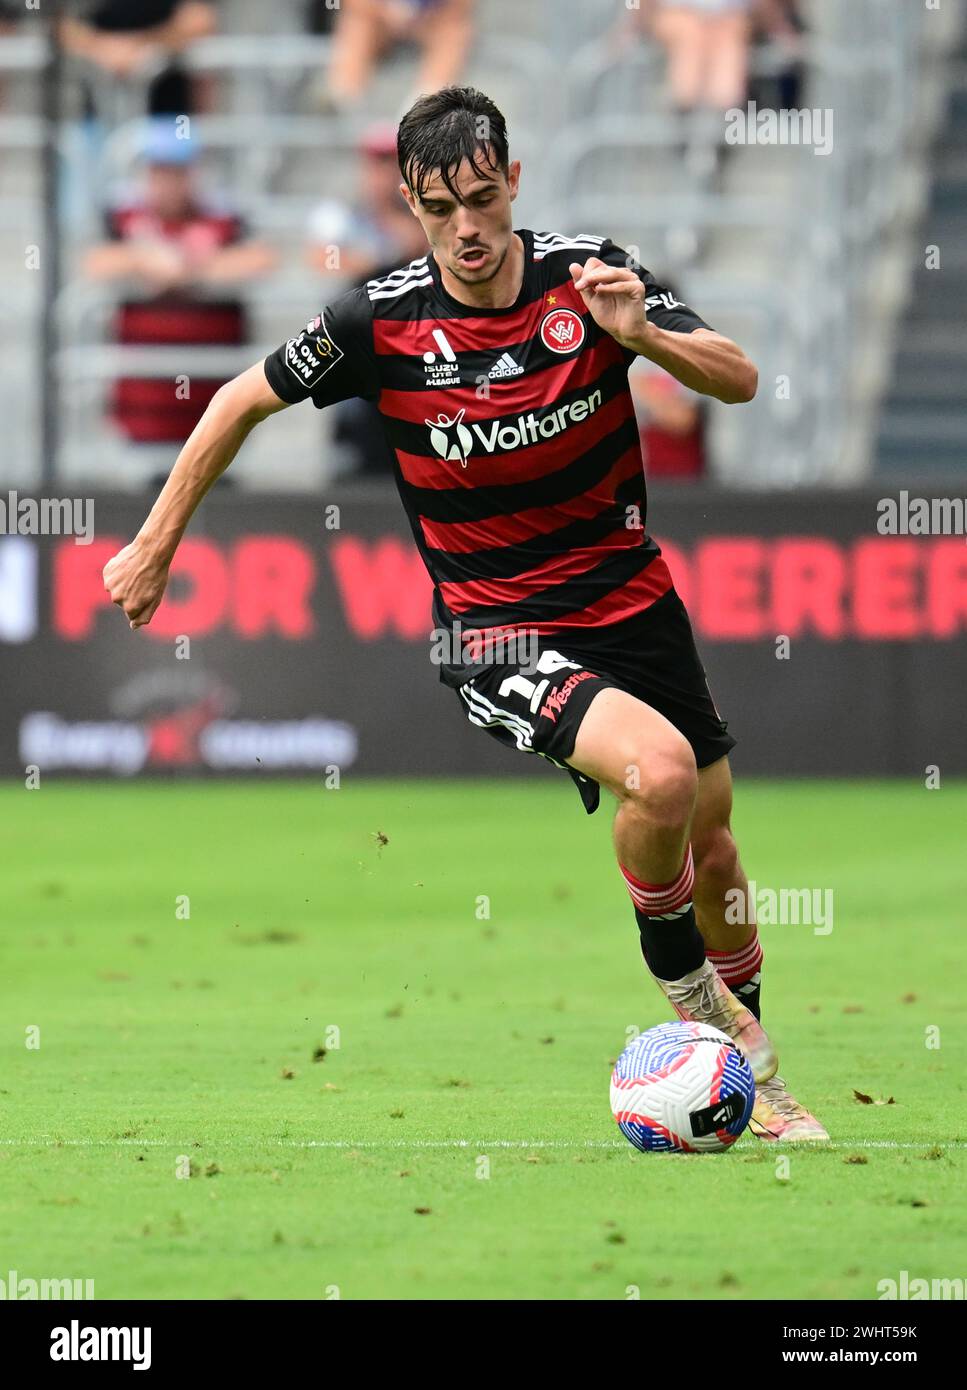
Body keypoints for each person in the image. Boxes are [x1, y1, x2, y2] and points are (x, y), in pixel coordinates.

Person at [103, 85, 826, 1143]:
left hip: (630, 599)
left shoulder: (588, 276)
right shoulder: (376, 316)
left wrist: (649, 339)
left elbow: (741, 376)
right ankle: (701, 1026)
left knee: (712, 846)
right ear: (409, 203)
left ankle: (750, 1067)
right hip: (493, 626)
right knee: (660, 774)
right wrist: (156, 542)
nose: (468, 229)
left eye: (483, 200)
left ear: (513, 183)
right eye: (440, 210)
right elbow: (237, 399)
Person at [85, 119, 276, 445]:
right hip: (145, 397)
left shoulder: (225, 217)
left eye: (177, 171)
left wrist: (189, 266)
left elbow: (261, 260)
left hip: (215, 398)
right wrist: (143, 259)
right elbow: (94, 263)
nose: (168, 182)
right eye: (160, 171)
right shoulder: (123, 218)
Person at [60, 0, 217, 116]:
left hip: (170, 115)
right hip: (98, 115)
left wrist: (139, 47)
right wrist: (102, 47)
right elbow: (56, 24)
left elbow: (200, 20)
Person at [320, 0, 475, 111]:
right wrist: (388, 11)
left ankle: (430, 100)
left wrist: (419, 12)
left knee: (455, 31)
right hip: (377, 20)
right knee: (357, 23)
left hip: (432, 20)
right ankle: (345, 92)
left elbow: (460, 7)